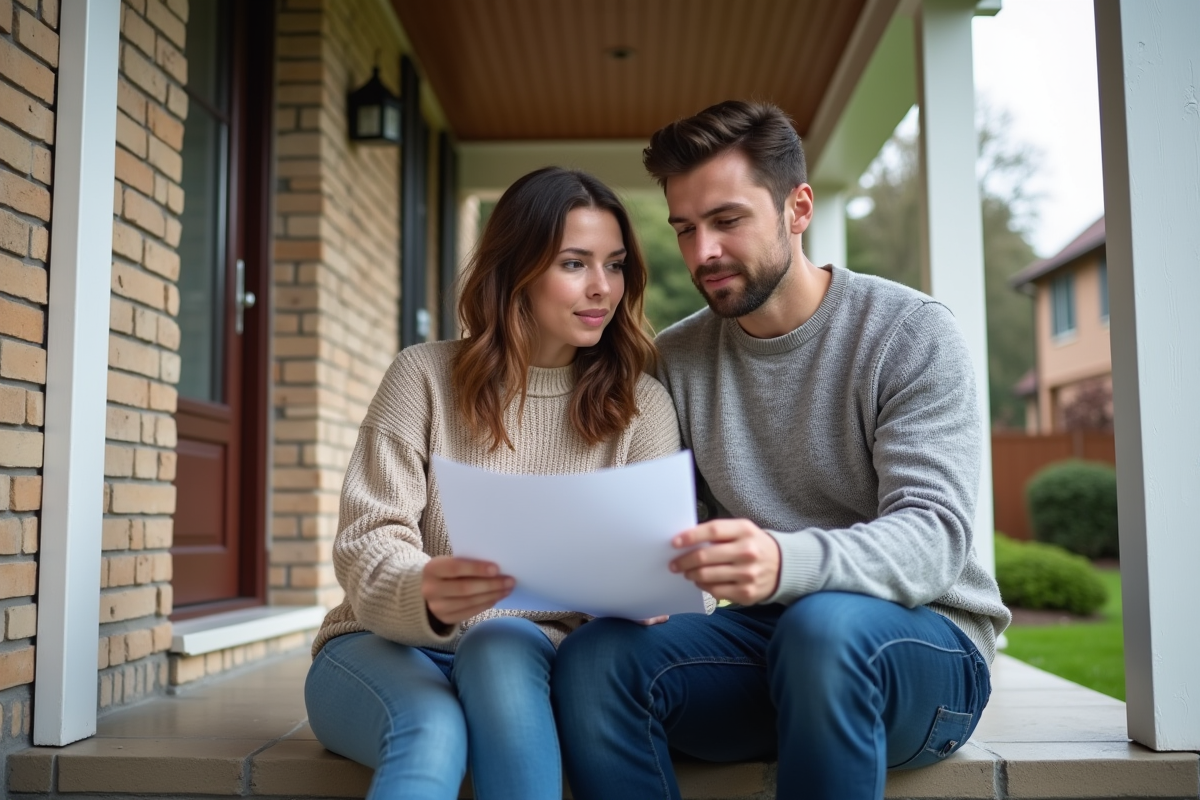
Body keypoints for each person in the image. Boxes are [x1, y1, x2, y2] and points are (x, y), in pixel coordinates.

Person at [552, 100, 1012, 800]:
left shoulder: (908, 333)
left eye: (728, 221)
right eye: (685, 229)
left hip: (925, 652)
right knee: (595, 662)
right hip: (769, 649)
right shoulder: (675, 359)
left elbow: (934, 539)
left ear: (798, 209)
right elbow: (665, 529)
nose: (702, 251)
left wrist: (781, 560)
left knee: (824, 630)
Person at [304, 166, 684, 800]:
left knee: (503, 641)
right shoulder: (422, 378)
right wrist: (425, 590)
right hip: (383, 646)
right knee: (431, 731)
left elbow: (651, 561)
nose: (602, 289)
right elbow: (367, 539)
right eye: (574, 264)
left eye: (614, 265)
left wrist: (645, 592)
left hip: (526, 659)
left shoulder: (640, 406)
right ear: (518, 271)